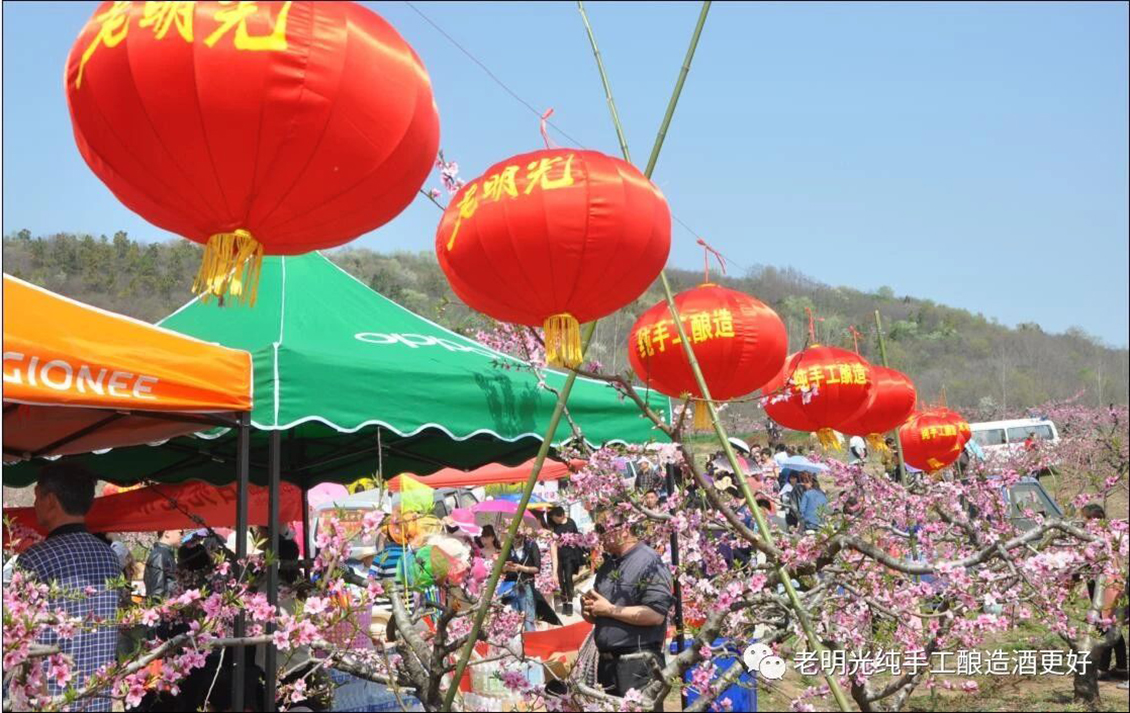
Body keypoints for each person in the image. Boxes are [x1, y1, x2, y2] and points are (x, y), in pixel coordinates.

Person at [18, 464, 122, 712]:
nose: (34, 504)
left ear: (51, 500)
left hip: (52, 701)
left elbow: (23, 643)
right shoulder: (109, 556)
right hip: (98, 699)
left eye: (37, 496)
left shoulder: (34, 559)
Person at [583, 509, 674, 712]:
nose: (599, 537)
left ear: (624, 529)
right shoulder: (607, 566)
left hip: (638, 664)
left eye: (603, 530)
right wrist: (590, 610)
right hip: (607, 666)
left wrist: (609, 610)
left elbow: (655, 615)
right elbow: (599, 613)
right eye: (598, 530)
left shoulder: (649, 562)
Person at [1082, 504, 1128, 680]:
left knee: (1105, 625)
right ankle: (1121, 667)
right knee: (1113, 625)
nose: (1084, 522)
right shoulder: (1110, 534)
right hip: (1113, 582)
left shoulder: (1098, 538)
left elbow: (1088, 560)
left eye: (1085, 518)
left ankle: (1102, 668)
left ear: (1092, 519)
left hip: (1105, 584)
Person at [502, 526, 541, 631]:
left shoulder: (531, 545)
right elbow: (502, 569)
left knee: (528, 619)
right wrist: (506, 568)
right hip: (510, 586)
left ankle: (532, 639)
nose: (515, 538)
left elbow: (537, 568)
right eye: (513, 536)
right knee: (512, 619)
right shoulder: (507, 547)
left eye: (518, 535)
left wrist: (520, 568)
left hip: (526, 584)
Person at [548, 506, 582, 616]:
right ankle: (564, 603)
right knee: (560, 581)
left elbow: (577, 537)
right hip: (558, 557)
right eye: (553, 518)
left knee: (568, 578)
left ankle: (570, 603)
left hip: (570, 556)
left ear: (562, 515)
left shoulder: (571, 522)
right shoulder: (554, 526)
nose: (554, 520)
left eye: (555, 518)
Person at [144, 529, 181, 601]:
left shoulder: (165, 553)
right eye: (180, 532)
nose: (182, 535)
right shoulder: (160, 554)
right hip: (165, 605)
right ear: (167, 533)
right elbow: (157, 591)